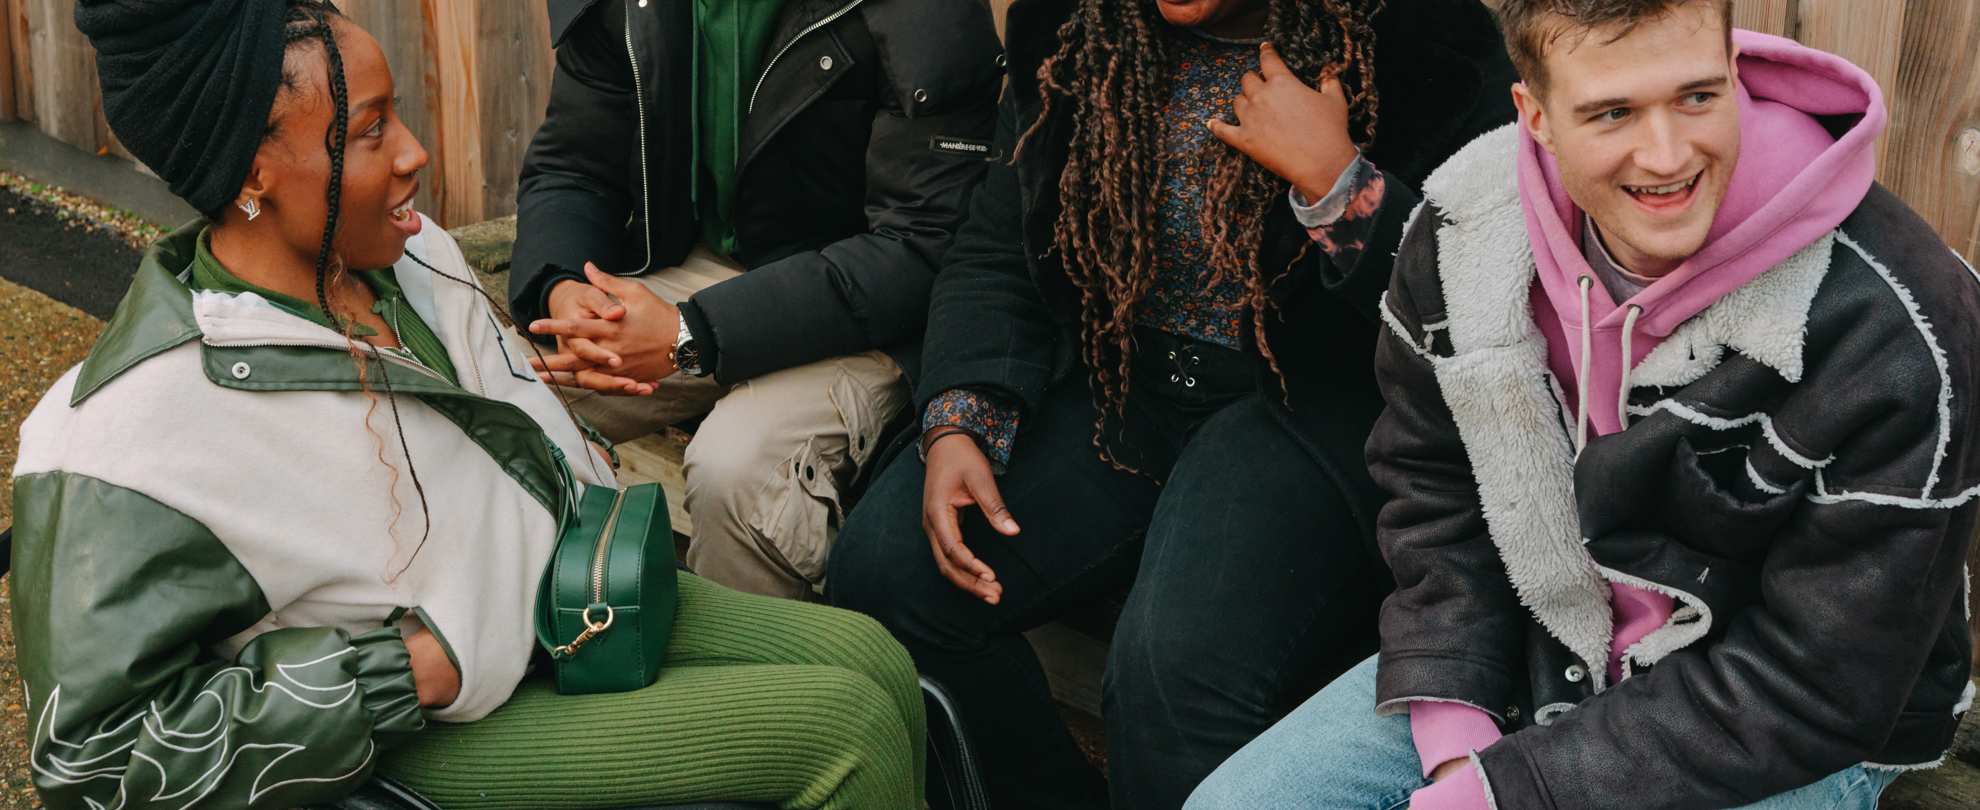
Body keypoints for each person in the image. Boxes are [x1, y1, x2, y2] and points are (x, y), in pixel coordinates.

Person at [11, 2, 924, 808]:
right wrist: (400, 674)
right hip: (443, 724)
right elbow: (93, 755)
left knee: (879, 664)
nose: (415, 153)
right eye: (370, 131)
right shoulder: (120, 433)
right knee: (849, 732)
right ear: (252, 174)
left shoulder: (416, 261)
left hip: (568, 606)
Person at [1187, 0, 1980, 808]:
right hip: (1543, 638)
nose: (1668, 154)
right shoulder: (1464, 230)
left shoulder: (1901, 321)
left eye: (1698, 97)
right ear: (1536, 114)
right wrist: (1458, 740)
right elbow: (1437, 496)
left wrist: (1507, 794)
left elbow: (1823, 682)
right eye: (1612, 112)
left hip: (1774, 716)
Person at [825, 0, 1517, 806]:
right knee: (889, 574)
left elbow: (1485, 302)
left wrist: (1342, 185)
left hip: (1303, 407)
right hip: (1124, 382)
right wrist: (962, 410)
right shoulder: (1073, 23)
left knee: (1172, 675)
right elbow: (1000, 237)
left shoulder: (1422, 41)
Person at [506, 0, 1003, 600]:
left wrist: (691, 334)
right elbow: (573, 165)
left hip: (874, 311)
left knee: (741, 472)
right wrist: (563, 289)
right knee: (495, 388)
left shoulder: (921, 14)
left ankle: (762, 686)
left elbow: (926, 246)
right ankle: (533, 646)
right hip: (712, 272)